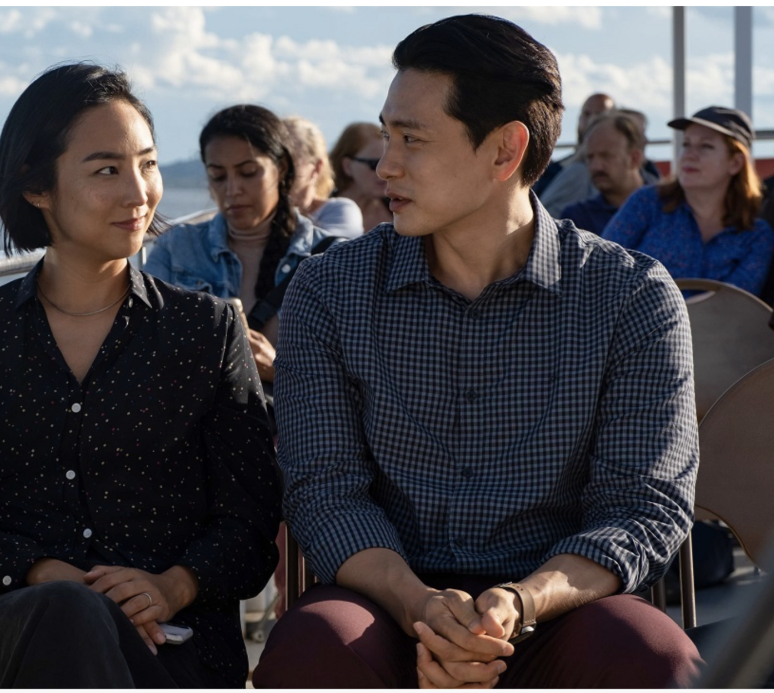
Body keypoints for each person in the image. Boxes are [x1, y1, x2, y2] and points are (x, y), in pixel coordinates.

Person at [253, 14, 701, 688]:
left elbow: (641, 507)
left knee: (653, 657)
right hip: (382, 600)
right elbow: (325, 491)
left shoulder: (630, 297)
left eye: (412, 139)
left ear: (504, 151)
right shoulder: (331, 289)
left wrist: (519, 601)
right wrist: (421, 604)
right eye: (385, 134)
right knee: (316, 644)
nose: (385, 166)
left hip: (562, 604)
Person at [0, 63, 281, 688]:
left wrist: (169, 587)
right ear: (37, 187)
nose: (139, 193)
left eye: (148, 164)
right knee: (67, 614)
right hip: (19, 635)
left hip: (174, 639)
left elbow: (250, 523)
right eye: (107, 169)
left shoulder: (206, 331)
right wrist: (51, 577)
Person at [144, 104, 334, 387]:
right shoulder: (175, 249)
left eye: (248, 172)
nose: (232, 190)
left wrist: (278, 369)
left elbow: (352, 380)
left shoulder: (331, 258)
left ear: (281, 169)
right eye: (218, 176)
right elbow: (144, 352)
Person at [603, 106, 774, 298]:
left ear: (735, 163)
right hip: (636, 327)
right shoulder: (646, 203)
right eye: (686, 144)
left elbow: (735, 308)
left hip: (717, 329)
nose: (689, 155)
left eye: (706, 146)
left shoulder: (757, 236)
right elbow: (601, 267)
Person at [558, 112, 648, 235]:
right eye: (589, 158)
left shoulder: (668, 207)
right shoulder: (576, 219)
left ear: (634, 158)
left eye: (607, 156)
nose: (596, 166)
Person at [284, 115, 364, 238]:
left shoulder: (340, 211)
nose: (279, 168)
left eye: (290, 159)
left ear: (316, 167)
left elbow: (326, 251)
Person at [538, 92, 617, 215]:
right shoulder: (554, 169)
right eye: (587, 114)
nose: (592, 120)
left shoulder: (636, 171)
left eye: (599, 115)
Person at [328, 121, 394, 231]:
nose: (384, 171)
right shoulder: (322, 214)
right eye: (374, 164)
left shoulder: (398, 209)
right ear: (347, 166)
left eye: (389, 163)